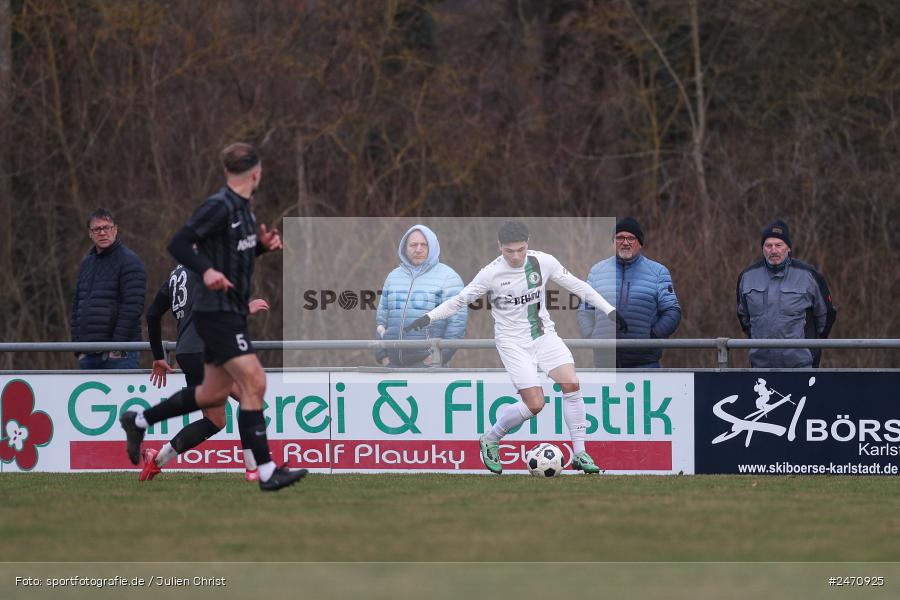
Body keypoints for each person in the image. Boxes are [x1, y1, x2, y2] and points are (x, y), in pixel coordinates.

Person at [120, 142, 306, 492]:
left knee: (210, 395)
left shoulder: (243, 211)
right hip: (216, 314)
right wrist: (205, 271)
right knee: (253, 383)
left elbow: (232, 259)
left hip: (225, 313)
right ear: (257, 173)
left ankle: (140, 420)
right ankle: (264, 471)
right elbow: (178, 243)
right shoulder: (220, 205)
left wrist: (261, 248)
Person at [405, 221, 625, 475]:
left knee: (571, 384)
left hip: (543, 336)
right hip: (512, 344)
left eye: (521, 250)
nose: (516, 256)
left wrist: (609, 310)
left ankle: (579, 453)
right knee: (535, 404)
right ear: (499, 247)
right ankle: (491, 439)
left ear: (528, 243)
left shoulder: (543, 262)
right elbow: (459, 300)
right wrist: (428, 317)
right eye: (510, 251)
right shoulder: (490, 274)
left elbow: (577, 285)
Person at [142, 262, 271, 482]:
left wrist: (158, 356)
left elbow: (153, 314)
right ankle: (253, 469)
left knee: (215, 421)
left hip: (188, 353)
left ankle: (157, 459)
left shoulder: (176, 274)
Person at [577, 217, 681, 368]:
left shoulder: (658, 272)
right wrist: (591, 336)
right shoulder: (596, 271)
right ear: (613, 242)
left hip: (645, 363)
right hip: (605, 362)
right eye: (620, 238)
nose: (625, 242)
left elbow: (672, 311)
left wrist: (653, 337)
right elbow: (584, 310)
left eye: (631, 238)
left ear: (640, 243)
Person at [736, 219, 836, 368]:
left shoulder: (809, 276)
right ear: (762, 248)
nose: (773, 251)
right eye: (768, 245)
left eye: (779, 245)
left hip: (801, 366)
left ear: (788, 247)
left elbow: (826, 316)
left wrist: (811, 349)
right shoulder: (747, 277)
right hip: (760, 366)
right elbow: (744, 317)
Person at [375, 225, 467, 367]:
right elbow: (381, 320)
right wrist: (383, 357)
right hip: (392, 366)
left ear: (433, 246)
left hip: (429, 367)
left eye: (424, 244)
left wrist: (438, 357)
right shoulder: (393, 277)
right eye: (413, 245)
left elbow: (457, 325)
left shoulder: (449, 278)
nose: (418, 249)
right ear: (405, 247)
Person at [71, 208, 147, 369]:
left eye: (107, 227)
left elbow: (133, 307)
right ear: (90, 233)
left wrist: (117, 347)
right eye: (97, 229)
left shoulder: (130, 261)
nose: (102, 233)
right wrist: (78, 349)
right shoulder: (86, 264)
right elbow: (76, 307)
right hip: (88, 354)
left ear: (115, 229)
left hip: (120, 355)